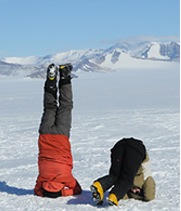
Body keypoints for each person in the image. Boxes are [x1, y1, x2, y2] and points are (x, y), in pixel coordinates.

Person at [34, 63, 82, 198]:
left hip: (61, 135)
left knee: (66, 106)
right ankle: (50, 81)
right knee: (49, 107)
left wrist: (63, 193)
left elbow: (77, 190)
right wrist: (44, 193)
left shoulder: (65, 178)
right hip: (45, 134)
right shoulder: (42, 178)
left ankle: (65, 76)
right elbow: (37, 190)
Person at [90, 138, 155, 206]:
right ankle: (115, 196)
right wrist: (139, 196)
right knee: (127, 179)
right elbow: (149, 196)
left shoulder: (124, 185)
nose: (134, 191)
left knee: (115, 175)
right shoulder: (145, 177)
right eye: (138, 192)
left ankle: (99, 185)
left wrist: (126, 192)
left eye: (133, 192)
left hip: (119, 146)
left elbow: (122, 191)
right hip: (135, 149)